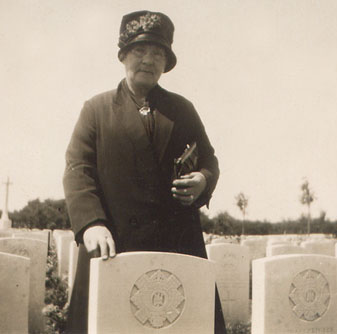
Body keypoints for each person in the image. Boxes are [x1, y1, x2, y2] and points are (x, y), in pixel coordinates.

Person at [63, 10, 226, 333]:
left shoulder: (182, 110)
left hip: (177, 243)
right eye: (140, 51)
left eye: (158, 53)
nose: (149, 60)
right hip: (112, 244)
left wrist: (203, 180)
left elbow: (210, 160)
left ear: (166, 62)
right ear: (123, 56)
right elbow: (77, 168)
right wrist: (91, 224)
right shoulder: (96, 109)